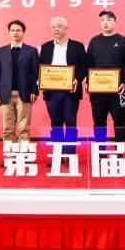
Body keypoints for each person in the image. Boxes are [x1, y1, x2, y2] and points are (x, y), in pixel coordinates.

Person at [38, 17, 87, 155]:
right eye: (53, 27)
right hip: (51, 92)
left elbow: (84, 66)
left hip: (71, 91)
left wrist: (77, 79)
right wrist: (40, 79)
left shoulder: (77, 46)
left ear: (66, 28)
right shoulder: (46, 47)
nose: (56, 29)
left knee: (71, 122)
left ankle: (70, 154)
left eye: (59, 26)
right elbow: (40, 67)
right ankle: (57, 155)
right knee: (55, 123)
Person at [86, 10, 125, 142]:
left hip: (119, 90)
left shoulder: (123, 41)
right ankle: (100, 149)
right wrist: (89, 82)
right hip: (98, 90)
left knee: (120, 120)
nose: (105, 23)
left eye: (109, 20)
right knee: (99, 121)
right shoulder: (94, 41)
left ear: (115, 22)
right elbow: (89, 64)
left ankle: (119, 149)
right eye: (102, 20)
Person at [0, 19, 39, 142]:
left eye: (18, 30)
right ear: (9, 32)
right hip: (5, 94)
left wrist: (34, 91)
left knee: (24, 128)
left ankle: (23, 152)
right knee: (8, 128)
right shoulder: (0, 51)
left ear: (23, 32)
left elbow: (35, 73)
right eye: (12, 30)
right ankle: (9, 153)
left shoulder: (31, 51)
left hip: (25, 93)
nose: (15, 33)